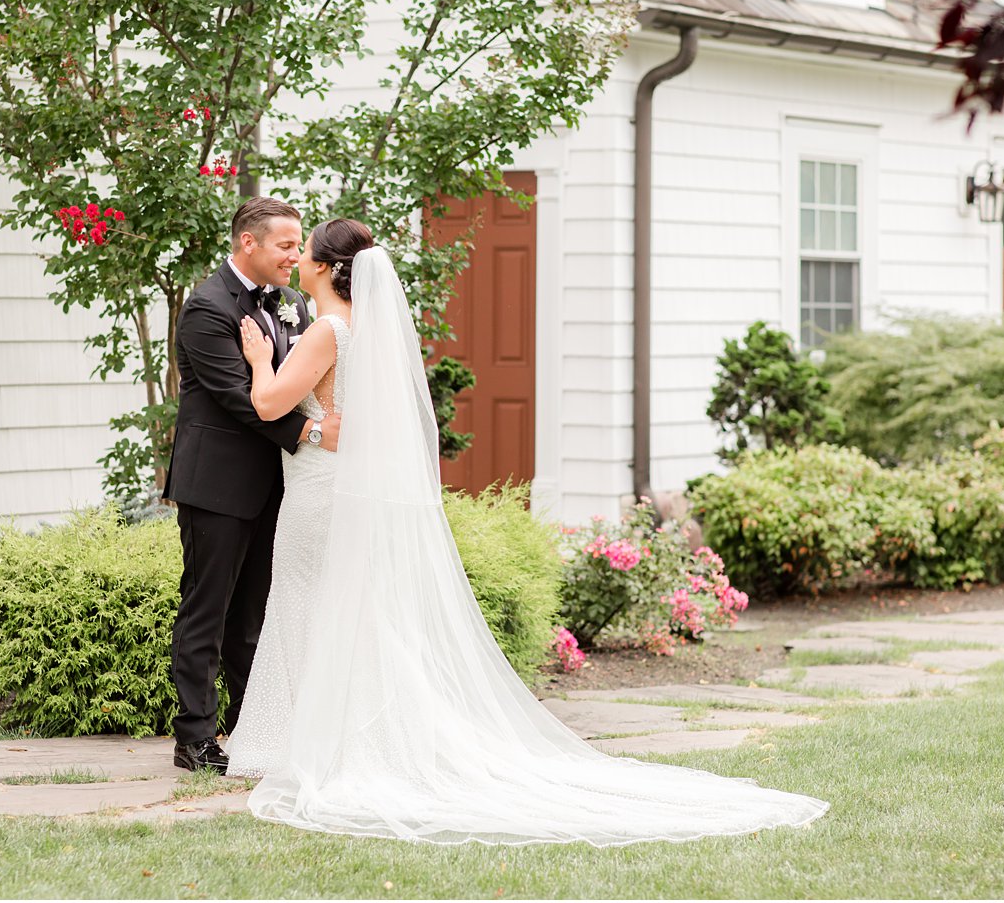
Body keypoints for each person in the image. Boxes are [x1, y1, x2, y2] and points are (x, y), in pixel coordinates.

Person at [225, 219, 830, 846]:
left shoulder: (325, 330)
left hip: (321, 491)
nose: (295, 262)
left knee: (306, 605)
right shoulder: (367, 332)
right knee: (351, 613)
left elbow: (269, 404)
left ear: (324, 267)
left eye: (304, 254)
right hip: (341, 486)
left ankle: (305, 741)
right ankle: (342, 735)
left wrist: (261, 359)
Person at [162, 197, 340, 774]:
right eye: (287, 245)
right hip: (217, 486)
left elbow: (300, 380)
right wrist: (313, 431)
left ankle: (253, 733)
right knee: (206, 612)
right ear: (249, 243)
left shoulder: (292, 306)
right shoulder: (206, 308)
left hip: (282, 487)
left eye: (299, 246)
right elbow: (243, 400)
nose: (297, 255)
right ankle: (194, 739)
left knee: (255, 616)